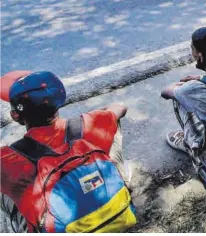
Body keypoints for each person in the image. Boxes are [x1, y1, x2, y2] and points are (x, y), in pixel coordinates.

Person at [0, 71, 132, 232]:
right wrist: (102, 113)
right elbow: (120, 107)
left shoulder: (8, 158)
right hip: (115, 214)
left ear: (15, 116)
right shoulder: (90, 124)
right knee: (113, 125)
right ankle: (120, 183)